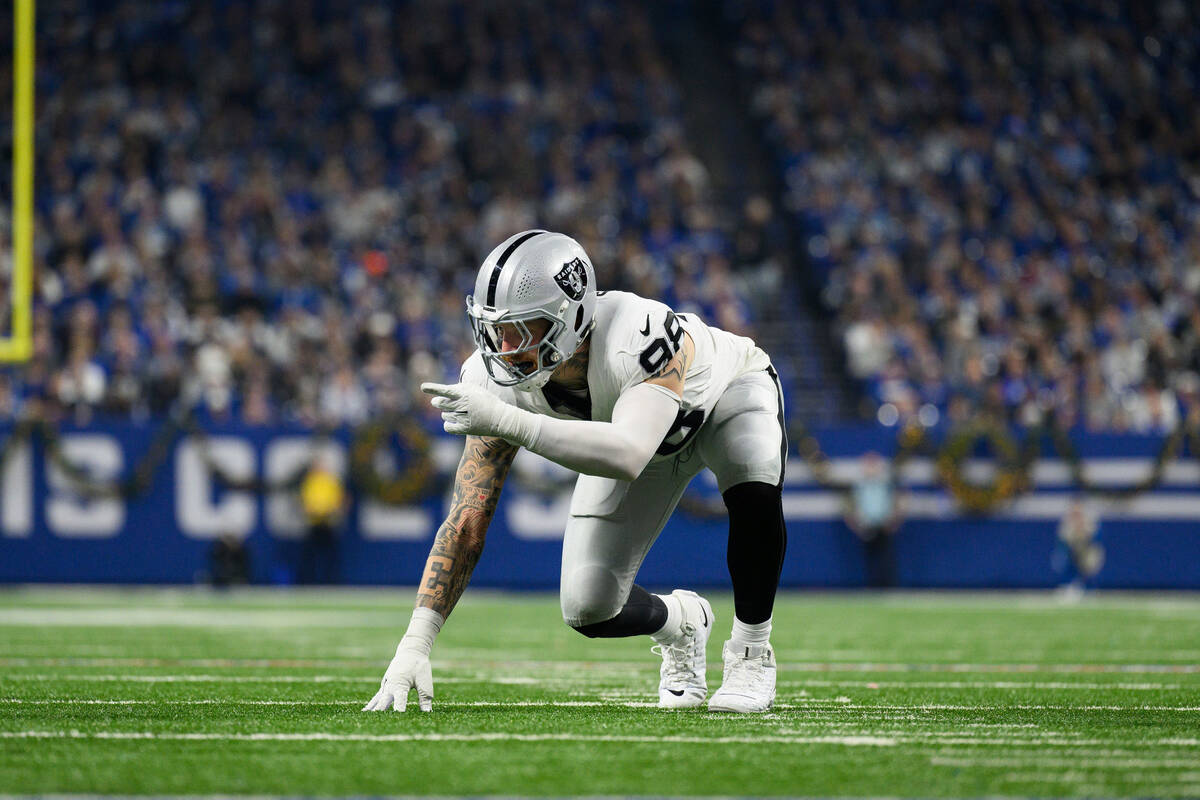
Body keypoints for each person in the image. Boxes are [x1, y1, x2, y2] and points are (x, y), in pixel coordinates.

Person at [364, 230, 788, 714]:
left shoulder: (639, 331)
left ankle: (752, 651)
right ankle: (683, 623)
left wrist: (508, 421)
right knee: (589, 607)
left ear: (572, 318)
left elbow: (629, 452)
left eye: (522, 328)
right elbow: (466, 519)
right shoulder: (493, 379)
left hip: (721, 400)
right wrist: (415, 643)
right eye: (493, 329)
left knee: (751, 466)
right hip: (638, 440)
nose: (503, 346)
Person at [844, 451, 901, 588]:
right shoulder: (859, 486)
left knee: (885, 558)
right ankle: (872, 586)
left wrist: (893, 521)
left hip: (883, 525)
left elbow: (897, 503)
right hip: (867, 526)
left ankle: (888, 585)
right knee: (870, 559)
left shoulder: (886, 484)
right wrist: (857, 526)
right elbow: (850, 508)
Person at [298, 452, 346, 585]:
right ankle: (309, 581)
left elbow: (340, 501)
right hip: (314, 523)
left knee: (331, 555)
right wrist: (315, 511)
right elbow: (304, 502)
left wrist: (330, 511)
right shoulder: (310, 482)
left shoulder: (330, 481)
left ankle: (331, 581)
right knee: (310, 555)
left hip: (328, 523)